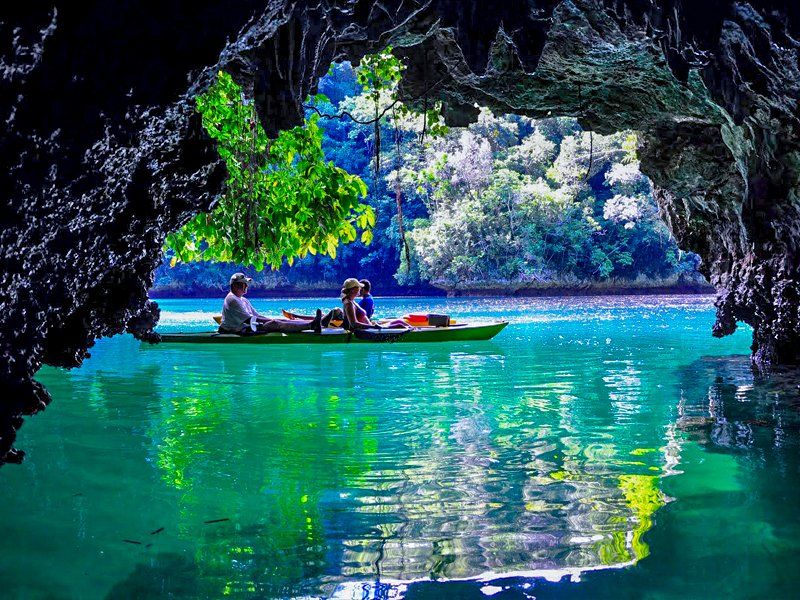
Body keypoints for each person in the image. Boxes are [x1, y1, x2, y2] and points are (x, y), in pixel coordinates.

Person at [220, 273, 321, 334]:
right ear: (235, 286)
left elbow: (257, 316)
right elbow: (249, 319)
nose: (246, 285)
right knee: (275, 323)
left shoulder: (243, 300)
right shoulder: (232, 299)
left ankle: (313, 324)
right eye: (244, 283)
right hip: (237, 330)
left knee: (279, 320)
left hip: (248, 326)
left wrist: (273, 319)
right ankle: (311, 326)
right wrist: (272, 321)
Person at [340, 278, 410, 331]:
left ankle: (415, 329)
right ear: (353, 290)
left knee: (399, 321)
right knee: (399, 324)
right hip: (369, 330)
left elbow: (344, 296)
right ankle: (415, 331)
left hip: (370, 327)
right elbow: (354, 324)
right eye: (358, 287)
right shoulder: (349, 304)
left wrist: (372, 325)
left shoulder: (351, 301)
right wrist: (373, 327)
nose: (360, 288)